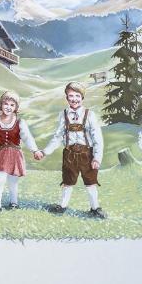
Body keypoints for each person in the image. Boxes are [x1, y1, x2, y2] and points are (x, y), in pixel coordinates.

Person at [36, 81, 106, 218]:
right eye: (71, 96)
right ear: (66, 97)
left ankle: (95, 208)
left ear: (82, 97)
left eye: (77, 96)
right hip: (69, 154)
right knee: (67, 182)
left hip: (87, 154)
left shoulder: (89, 115)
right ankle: (62, 206)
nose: (74, 99)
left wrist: (97, 158)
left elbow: (97, 138)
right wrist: (45, 151)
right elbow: (57, 136)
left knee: (90, 182)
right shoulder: (63, 115)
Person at [0, 91, 42, 211]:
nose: (8, 107)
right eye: (6, 104)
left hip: (14, 155)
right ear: (1, 105)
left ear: (16, 108)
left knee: (13, 181)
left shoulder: (20, 122)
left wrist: (35, 150)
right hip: (0, 156)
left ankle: (14, 202)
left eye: (12, 105)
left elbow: (27, 138)